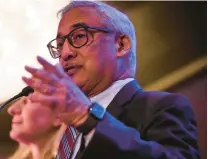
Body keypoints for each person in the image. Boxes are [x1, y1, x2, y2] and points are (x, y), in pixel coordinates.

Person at [22, 1, 200, 159]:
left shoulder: (161, 106)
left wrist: (87, 117)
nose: (65, 53)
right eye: (60, 45)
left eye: (79, 36)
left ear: (121, 45)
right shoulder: (68, 134)